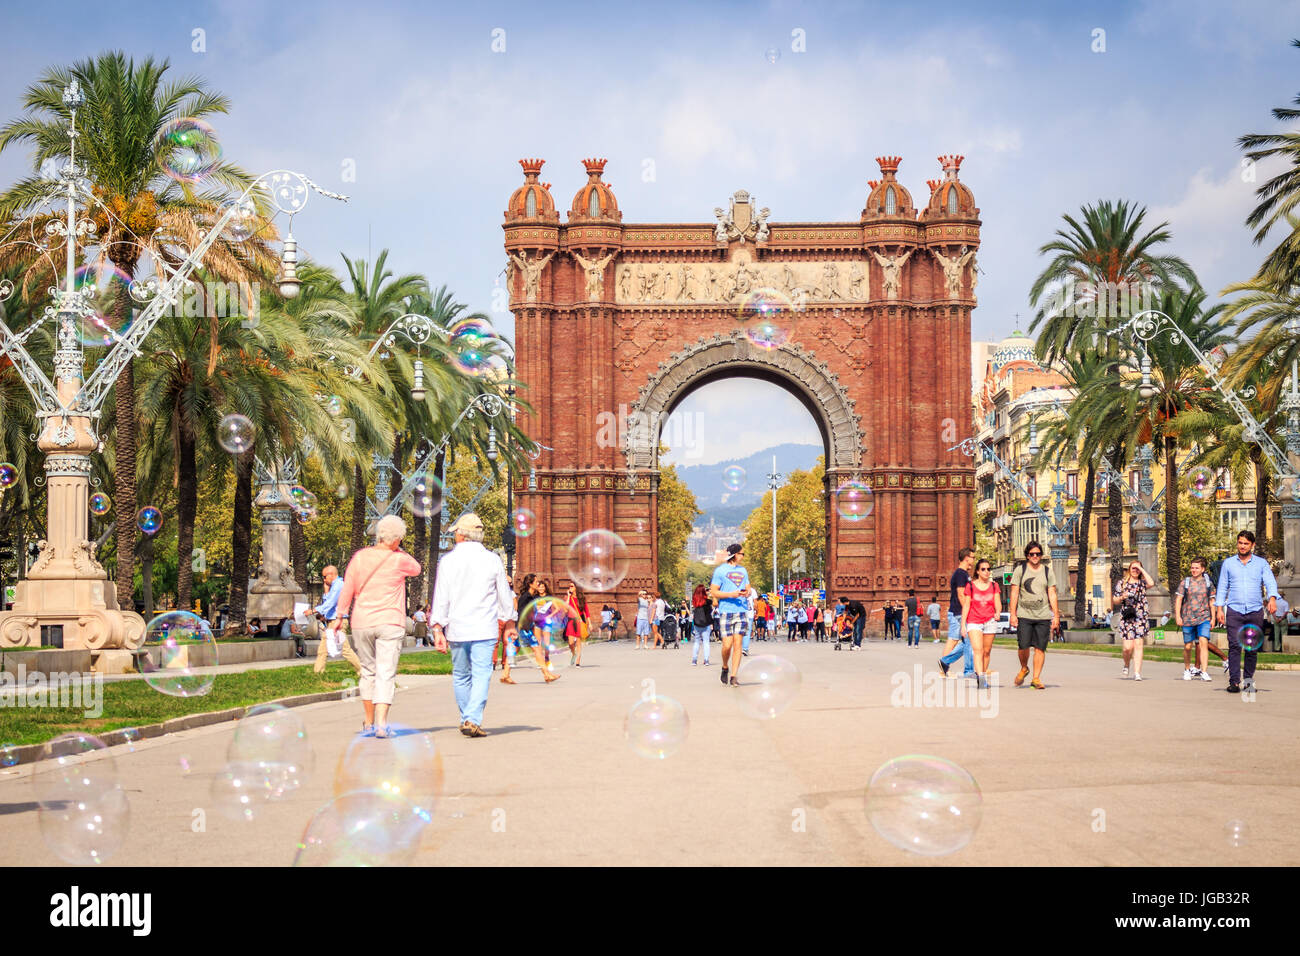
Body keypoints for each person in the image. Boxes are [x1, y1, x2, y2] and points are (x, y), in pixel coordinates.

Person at [332, 513, 422, 738]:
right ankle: (382, 725)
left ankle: (369, 722)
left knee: (368, 672)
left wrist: (339, 615)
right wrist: (397, 550)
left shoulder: (360, 557)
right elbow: (417, 568)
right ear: (398, 538)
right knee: (385, 673)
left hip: (362, 622)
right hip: (390, 622)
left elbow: (348, 588)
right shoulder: (399, 559)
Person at [430, 513, 516, 738]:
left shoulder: (448, 561)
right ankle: (472, 718)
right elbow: (504, 595)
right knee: (481, 674)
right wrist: (509, 621)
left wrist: (437, 627)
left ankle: (466, 718)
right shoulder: (492, 559)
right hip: (484, 628)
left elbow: (441, 597)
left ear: (460, 534)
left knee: (461, 675)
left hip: (457, 628)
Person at [1214, 530, 1279, 694]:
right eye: (1240, 543)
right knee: (1234, 646)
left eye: (1246, 544)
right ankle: (1234, 682)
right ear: (1237, 543)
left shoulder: (1261, 563)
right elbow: (1222, 587)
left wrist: (1272, 598)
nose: (1242, 546)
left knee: (1251, 648)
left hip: (1254, 611)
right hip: (1234, 611)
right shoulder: (1228, 563)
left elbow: (1270, 581)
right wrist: (1219, 608)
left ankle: (1249, 682)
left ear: (1252, 545)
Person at [1008, 540, 1058, 690]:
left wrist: (1055, 615)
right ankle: (1024, 668)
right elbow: (1014, 593)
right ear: (1027, 556)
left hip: (1043, 615)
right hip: (1024, 615)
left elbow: (1052, 593)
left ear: (1041, 555)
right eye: (1032, 554)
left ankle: (1036, 678)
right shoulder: (1020, 570)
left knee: (1040, 648)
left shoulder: (1048, 571)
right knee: (1023, 646)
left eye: (1038, 554)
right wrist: (1013, 614)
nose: (1035, 556)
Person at [709, 543, 750, 687]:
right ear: (734, 555)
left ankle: (734, 676)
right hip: (726, 610)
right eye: (741, 554)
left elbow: (748, 588)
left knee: (738, 644)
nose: (743, 556)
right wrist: (730, 594)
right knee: (727, 645)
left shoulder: (743, 571)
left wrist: (747, 593)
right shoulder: (720, 571)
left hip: (741, 610)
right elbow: (714, 591)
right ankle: (725, 666)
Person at [960, 558, 1001, 690]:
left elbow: (997, 602)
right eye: (983, 569)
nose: (986, 571)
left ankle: (981, 674)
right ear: (977, 571)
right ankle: (981, 679)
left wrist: (998, 612)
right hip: (974, 621)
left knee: (987, 651)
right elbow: (966, 605)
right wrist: (963, 625)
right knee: (978, 650)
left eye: (988, 569)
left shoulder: (994, 586)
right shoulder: (970, 586)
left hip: (990, 621)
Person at [313, 564, 361, 675]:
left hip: (338, 622)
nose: (324, 580)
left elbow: (330, 603)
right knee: (323, 649)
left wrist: (313, 610)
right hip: (332, 622)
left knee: (345, 649)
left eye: (324, 577)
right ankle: (318, 672)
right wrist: (326, 591)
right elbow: (328, 602)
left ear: (331, 575)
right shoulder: (333, 587)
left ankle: (362, 670)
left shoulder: (339, 585)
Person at [1174, 556, 1216, 682]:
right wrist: (1178, 616)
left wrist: (1213, 618)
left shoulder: (1208, 584)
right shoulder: (1185, 582)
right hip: (1187, 618)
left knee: (1203, 642)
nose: (1194, 570)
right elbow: (1178, 600)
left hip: (1204, 618)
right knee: (1188, 646)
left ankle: (1204, 671)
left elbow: (1212, 601)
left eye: (1197, 568)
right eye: (1192, 567)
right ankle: (1187, 669)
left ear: (1203, 569)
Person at [1113, 560, 1155, 681]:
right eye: (1133, 568)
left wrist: (1141, 569)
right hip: (1126, 617)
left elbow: (1151, 583)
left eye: (1138, 569)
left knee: (1138, 644)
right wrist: (1122, 597)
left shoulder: (1142, 583)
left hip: (1140, 616)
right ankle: (1126, 665)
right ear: (1129, 570)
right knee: (1127, 648)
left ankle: (1137, 673)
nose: (1135, 571)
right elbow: (1115, 600)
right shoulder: (1122, 583)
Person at [938, 549, 977, 679]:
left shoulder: (963, 573)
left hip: (957, 611)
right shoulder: (961, 574)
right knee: (966, 640)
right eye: (973, 557)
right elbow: (961, 594)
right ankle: (964, 670)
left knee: (958, 640)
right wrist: (967, 611)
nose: (974, 560)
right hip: (959, 612)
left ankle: (944, 665)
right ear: (966, 558)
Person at [564, 582, 591, 666]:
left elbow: (586, 612)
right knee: (571, 643)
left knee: (578, 642)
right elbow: (565, 609)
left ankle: (578, 661)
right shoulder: (568, 598)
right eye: (569, 586)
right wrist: (568, 596)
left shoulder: (582, 599)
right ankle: (574, 654)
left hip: (579, 622)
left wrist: (589, 623)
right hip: (571, 621)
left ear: (576, 587)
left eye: (571, 586)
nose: (570, 587)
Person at [690, 584, 713, 665]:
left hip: (697, 623)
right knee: (706, 642)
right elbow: (710, 611)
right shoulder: (707, 602)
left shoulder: (695, 601)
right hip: (706, 623)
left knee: (696, 642)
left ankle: (694, 660)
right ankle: (706, 660)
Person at [742, 586, 757, 656]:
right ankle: (745, 648)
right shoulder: (752, 590)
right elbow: (755, 603)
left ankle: (739, 648)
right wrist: (756, 611)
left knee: (739, 631)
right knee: (747, 632)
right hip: (750, 614)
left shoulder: (739, 589)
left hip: (740, 613)